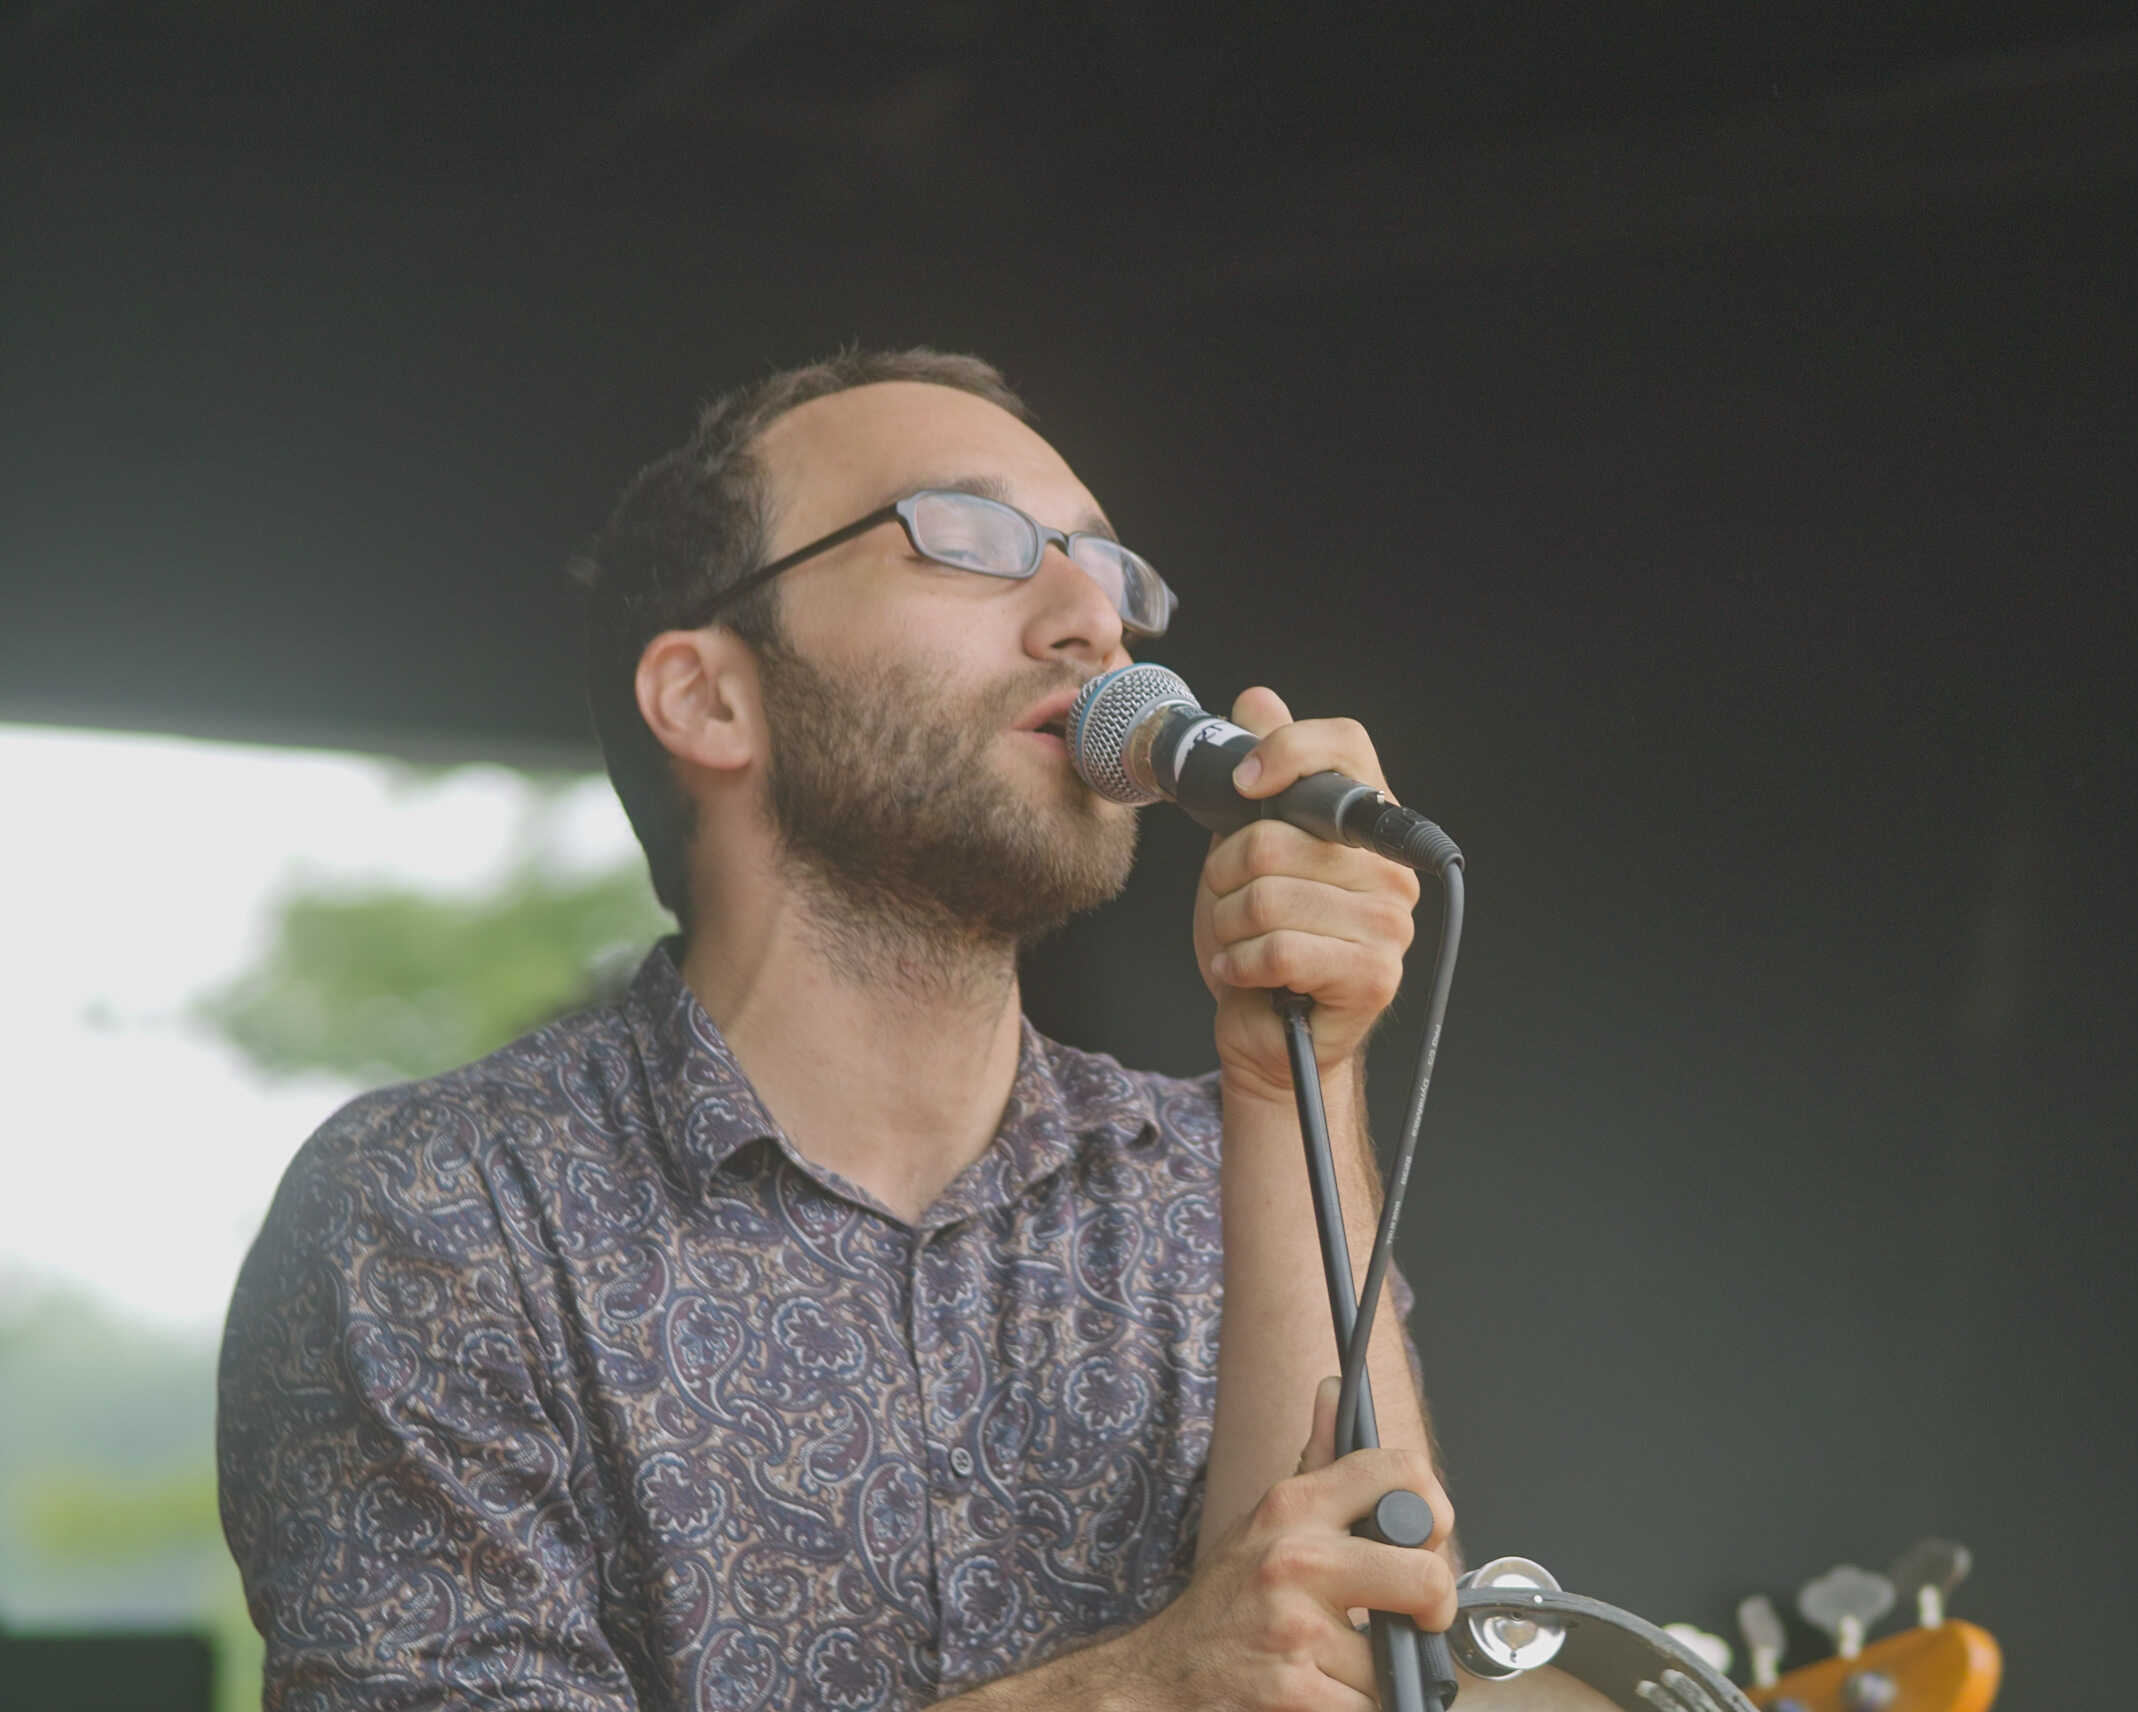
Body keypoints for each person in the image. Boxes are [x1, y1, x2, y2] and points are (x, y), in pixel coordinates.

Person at [217, 347, 1470, 1711]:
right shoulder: (439, 1208)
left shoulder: (1208, 1177)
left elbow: (1357, 1664)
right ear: (708, 698)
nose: (1092, 621)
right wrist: (1141, 1691)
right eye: (970, 537)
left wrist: (1298, 1080)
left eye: (1110, 569)